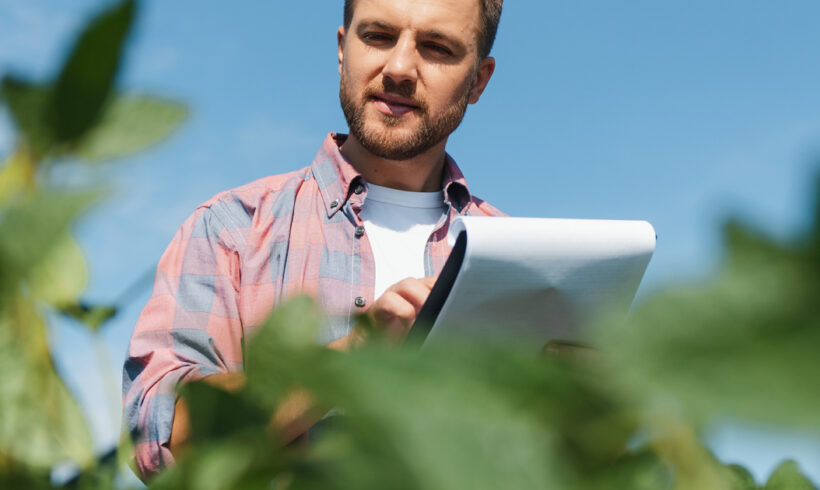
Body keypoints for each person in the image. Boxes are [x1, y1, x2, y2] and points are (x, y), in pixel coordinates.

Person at [123, 0, 504, 480]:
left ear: (479, 81)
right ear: (343, 49)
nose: (400, 67)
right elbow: (158, 434)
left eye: (436, 47)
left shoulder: (519, 259)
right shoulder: (232, 230)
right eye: (379, 36)